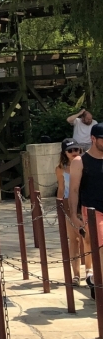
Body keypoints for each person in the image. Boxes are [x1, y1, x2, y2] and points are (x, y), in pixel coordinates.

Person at [68, 124, 103, 290]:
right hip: (92, 210)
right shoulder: (80, 161)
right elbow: (73, 190)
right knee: (102, 245)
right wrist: (74, 215)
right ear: (93, 139)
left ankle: (95, 280)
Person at [57, 138, 85, 284]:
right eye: (70, 150)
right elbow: (61, 189)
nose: (74, 153)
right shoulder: (61, 168)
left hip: (85, 203)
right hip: (69, 203)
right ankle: (76, 274)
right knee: (73, 240)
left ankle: (90, 272)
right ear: (64, 152)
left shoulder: (84, 163)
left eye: (76, 149)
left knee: (87, 240)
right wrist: (60, 207)